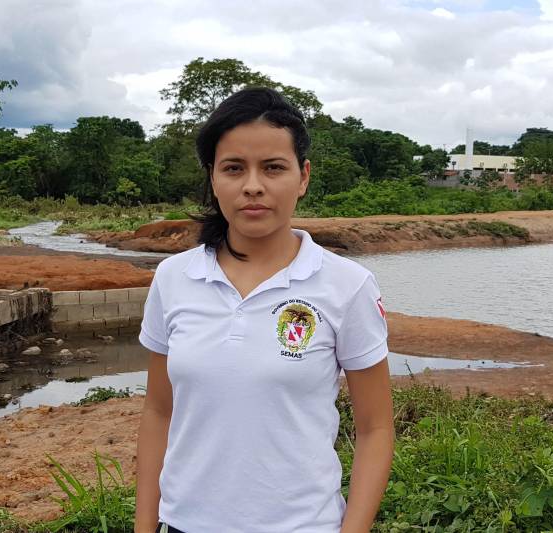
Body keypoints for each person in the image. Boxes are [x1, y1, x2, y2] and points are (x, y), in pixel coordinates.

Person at [135, 88, 394, 533]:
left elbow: (375, 429)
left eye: (273, 167)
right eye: (234, 168)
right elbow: (159, 411)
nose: (253, 185)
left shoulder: (346, 286)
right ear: (213, 178)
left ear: (303, 176)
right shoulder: (173, 278)